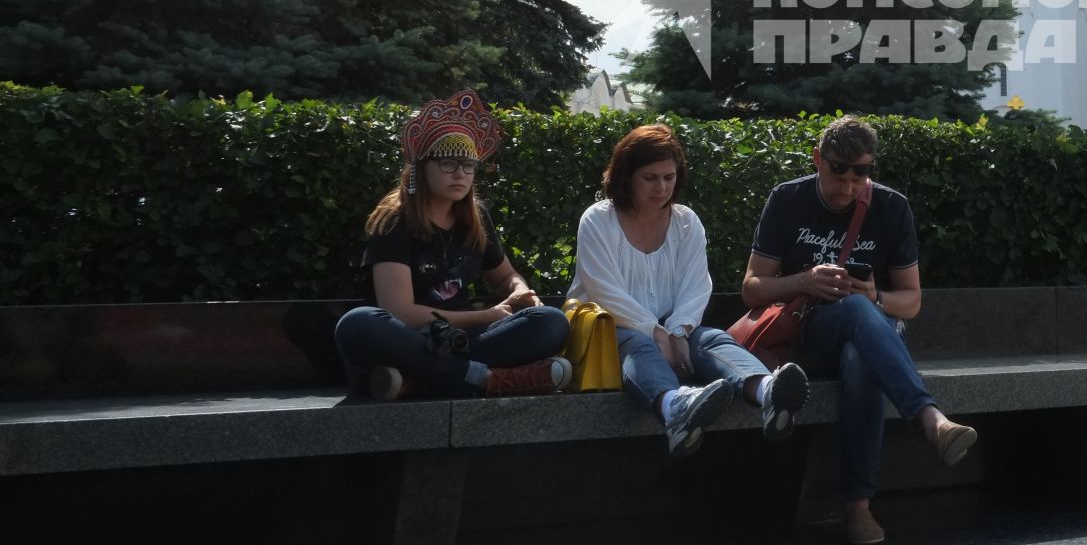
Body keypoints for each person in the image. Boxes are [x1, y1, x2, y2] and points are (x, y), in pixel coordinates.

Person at [743, 117, 975, 545]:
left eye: (861, 174)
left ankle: (857, 509)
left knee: (859, 355)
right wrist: (805, 281)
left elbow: (912, 301)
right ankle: (929, 419)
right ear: (818, 160)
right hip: (806, 338)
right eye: (838, 172)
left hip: (871, 337)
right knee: (851, 311)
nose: (848, 187)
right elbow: (752, 288)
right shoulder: (788, 199)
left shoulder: (890, 207)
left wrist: (876, 298)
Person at [569, 124, 808, 458]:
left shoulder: (686, 222)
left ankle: (768, 390)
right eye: (650, 178)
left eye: (669, 177)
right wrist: (655, 331)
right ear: (626, 177)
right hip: (612, 329)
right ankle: (674, 408)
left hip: (671, 327)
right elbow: (602, 289)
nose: (662, 187)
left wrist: (679, 329)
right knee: (637, 343)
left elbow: (697, 284)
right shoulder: (598, 220)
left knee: (710, 338)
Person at [335, 91, 571, 399]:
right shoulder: (395, 220)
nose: (460, 173)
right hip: (408, 340)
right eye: (448, 162)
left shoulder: (476, 217)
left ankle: (416, 381)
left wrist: (518, 291)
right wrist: (487, 315)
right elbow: (401, 312)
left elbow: (503, 275)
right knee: (358, 323)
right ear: (421, 167)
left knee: (551, 322)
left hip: (463, 340)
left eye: (468, 164)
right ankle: (484, 379)